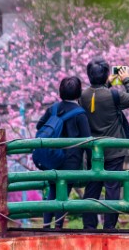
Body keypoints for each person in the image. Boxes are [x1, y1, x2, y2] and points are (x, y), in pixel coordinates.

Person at [80, 58, 129, 230]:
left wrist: (107, 85)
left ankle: (89, 226)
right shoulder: (114, 95)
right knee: (112, 189)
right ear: (106, 74)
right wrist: (126, 79)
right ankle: (109, 227)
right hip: (114, 150)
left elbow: (97, 102)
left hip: (92, 151)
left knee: (92, 189)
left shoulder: (83, 96)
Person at [34, 76, 91, 229]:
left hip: (52, 158)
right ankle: (58, 226)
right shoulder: (80, 113)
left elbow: (39, 125)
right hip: (70, 160)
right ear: (79, 93)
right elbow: (88, 140)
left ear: (60, 92)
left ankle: (47, 225)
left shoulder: (53, 109)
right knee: (63, 193)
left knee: (52, 190)